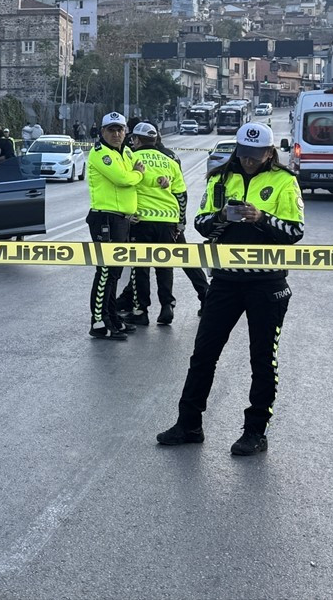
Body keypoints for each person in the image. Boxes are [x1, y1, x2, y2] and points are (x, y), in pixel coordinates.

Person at [157, 123, 305, 457]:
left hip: (267, 284)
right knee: (203, 355)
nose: (249, 162)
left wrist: (261, 218)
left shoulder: (285, 181)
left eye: (256, 156)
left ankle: (255, 431)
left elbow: (295, 231)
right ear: (237, 149)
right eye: (244, 154)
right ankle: (189, 424)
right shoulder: (218, 179)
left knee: (262, 359)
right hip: (225, 280)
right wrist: (224, 216)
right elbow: (201, 224)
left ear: (270, 153)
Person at [85, 111, 147, 340]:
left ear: (126, 131)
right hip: (105, 219)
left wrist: (155, 179)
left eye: (120, 129)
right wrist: (137, 174)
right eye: (111, 130)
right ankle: (99, 322)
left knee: (115, 273)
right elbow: (123, 179)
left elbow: (139, 175)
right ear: (102, 132)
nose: (116, 134)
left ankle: (112, 316)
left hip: (121, 219)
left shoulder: (126, 151)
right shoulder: (101, 154)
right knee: (105, 272)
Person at [119, 123, 182, 327]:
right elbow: (180, 193)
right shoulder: (169, 161)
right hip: (168, 221)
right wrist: (180, 221)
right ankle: (167, 306)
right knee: (165, 266)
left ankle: (140, 310)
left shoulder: (131, 158)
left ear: (136, 140)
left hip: (142, 220)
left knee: (140, 268)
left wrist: (127, 214)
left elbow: (125, 185)